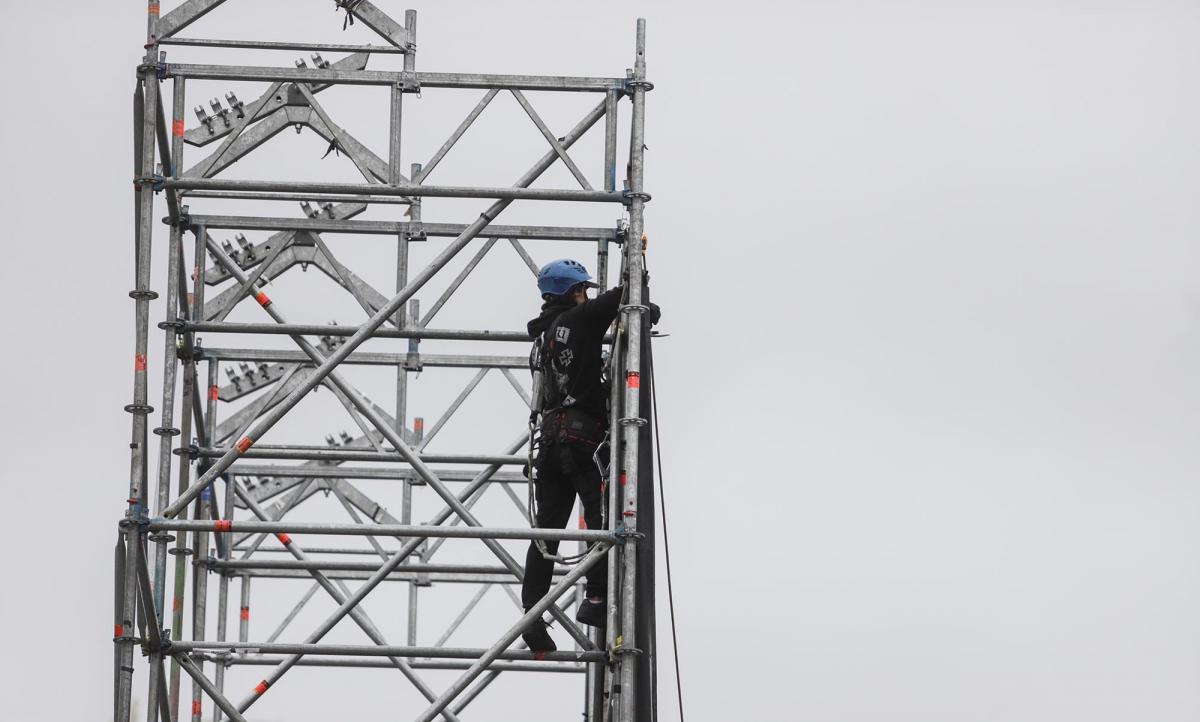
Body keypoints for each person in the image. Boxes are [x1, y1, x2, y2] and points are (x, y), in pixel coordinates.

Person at [520, 258, 659, 653]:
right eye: (583, 289)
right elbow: (621, 299)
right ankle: (597, 598)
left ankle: (532, 614)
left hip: (549, 441)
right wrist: (641, 288)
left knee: (546, 533)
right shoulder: (579, 320)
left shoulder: (543, 333)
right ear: (572, 292)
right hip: (581, 439)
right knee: (600, 519)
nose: (587, 295)